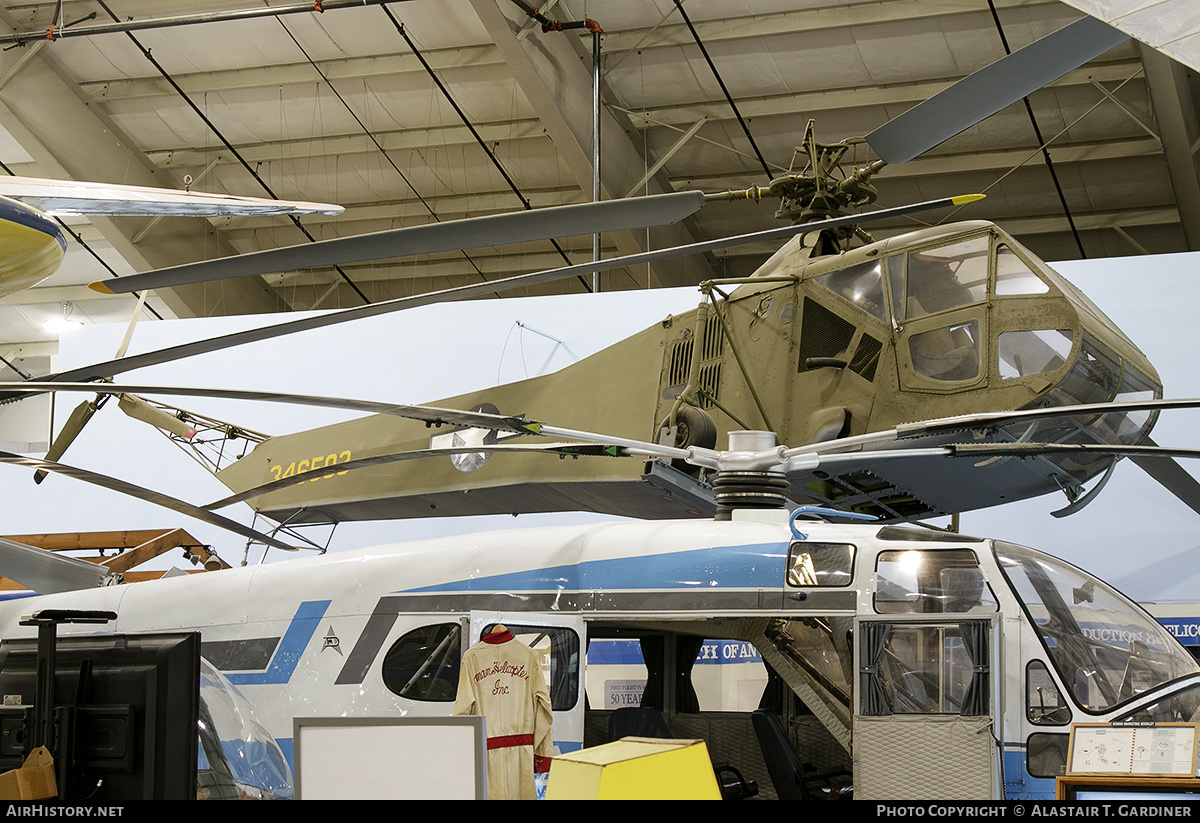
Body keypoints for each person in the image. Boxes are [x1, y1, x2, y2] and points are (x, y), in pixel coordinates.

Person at [453, 625, 553, 800]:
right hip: (521, 755)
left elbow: (462, 711)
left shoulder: (472, 657)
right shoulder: (528, 656)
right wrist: (541, 752)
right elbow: (544, 709)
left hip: (486, 756)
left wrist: (462, 756)